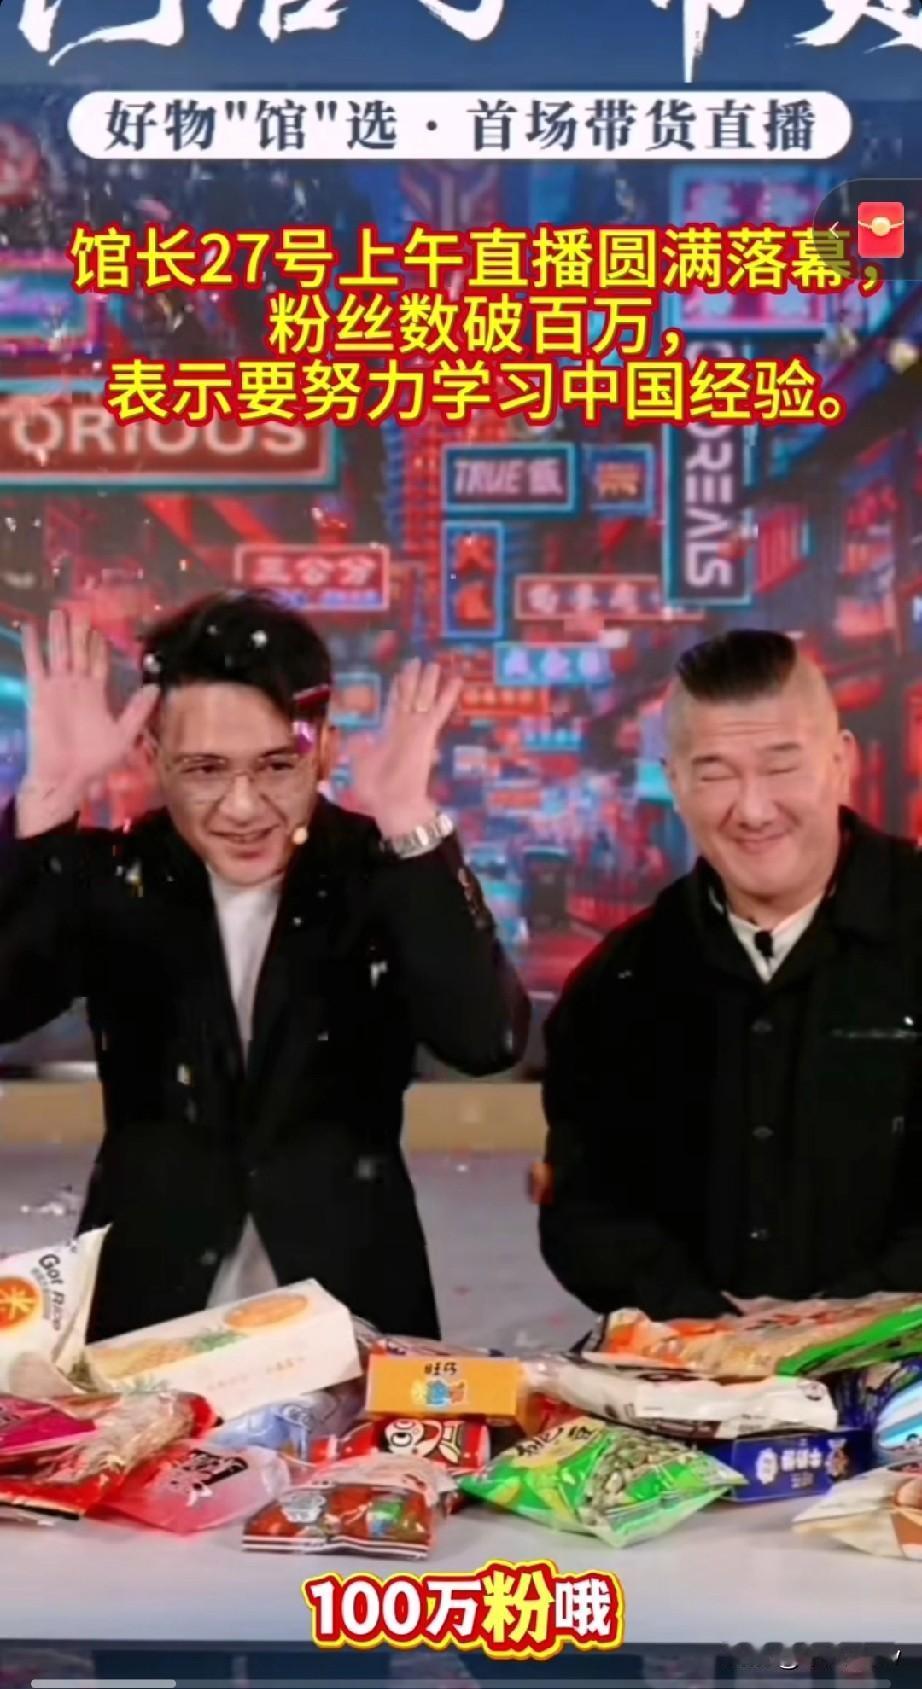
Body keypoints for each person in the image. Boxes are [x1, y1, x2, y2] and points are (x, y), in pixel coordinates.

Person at [1, 594, 530, 1342]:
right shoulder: (114, 873)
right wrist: (48, 801)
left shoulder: (381, 869)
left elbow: (486, 1040)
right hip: (146, 1310)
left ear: (325, 750)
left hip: (352, 1308)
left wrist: (410, 821)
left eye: (278, 765)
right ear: (152, 758)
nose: (243, 806)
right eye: (205, 769)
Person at [539, 628, 922, 1319]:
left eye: (781, 767)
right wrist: (707, 1322)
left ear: (841, 762)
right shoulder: (618, 983)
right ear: (675, 783)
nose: (752, 809)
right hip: (691, 1365)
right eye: (715, 773)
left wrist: (836, 1323)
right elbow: (584, 1210)